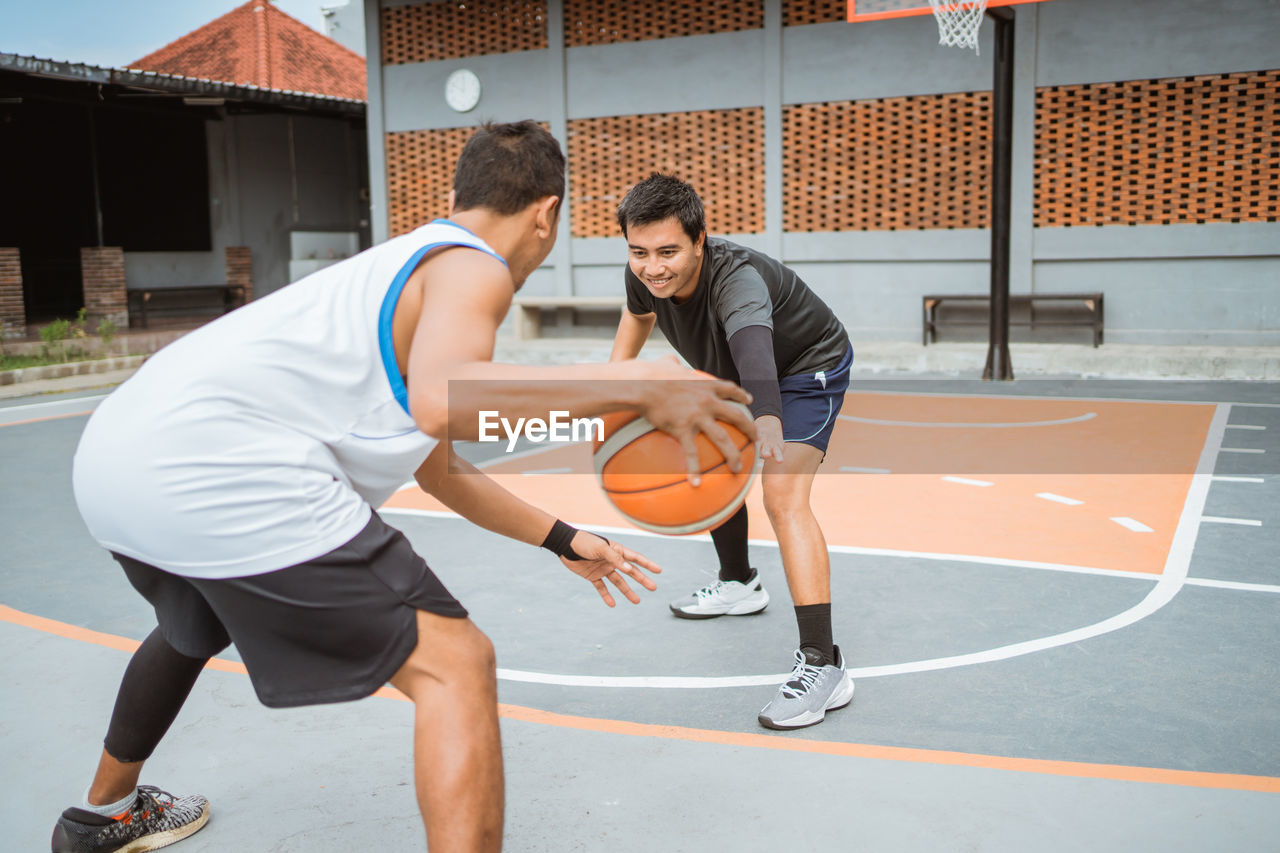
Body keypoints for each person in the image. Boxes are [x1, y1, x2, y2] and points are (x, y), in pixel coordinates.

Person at [53, 123, 754, 853]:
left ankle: (102, 815)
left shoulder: (389, 270)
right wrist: (632, 383)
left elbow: (434, 458)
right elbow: (446, 404)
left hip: (117, 458)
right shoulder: (471, 265)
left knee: (191, 624)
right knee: (459, 664)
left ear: (456, 195)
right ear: (547, 214)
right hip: (226, 468)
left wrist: (560, 537)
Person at [608, 174, 854, 731]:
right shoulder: (644, 273)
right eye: (639, 252)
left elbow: (755, 351)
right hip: (726, 370)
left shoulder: (736, 280)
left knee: (782, 493)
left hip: (802, 365)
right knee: (700, 457)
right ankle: (739, 583)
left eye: (668, 251)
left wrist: (765, 419)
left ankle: (824, 663)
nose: (653, 266)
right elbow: (635, 323)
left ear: (700, 240)